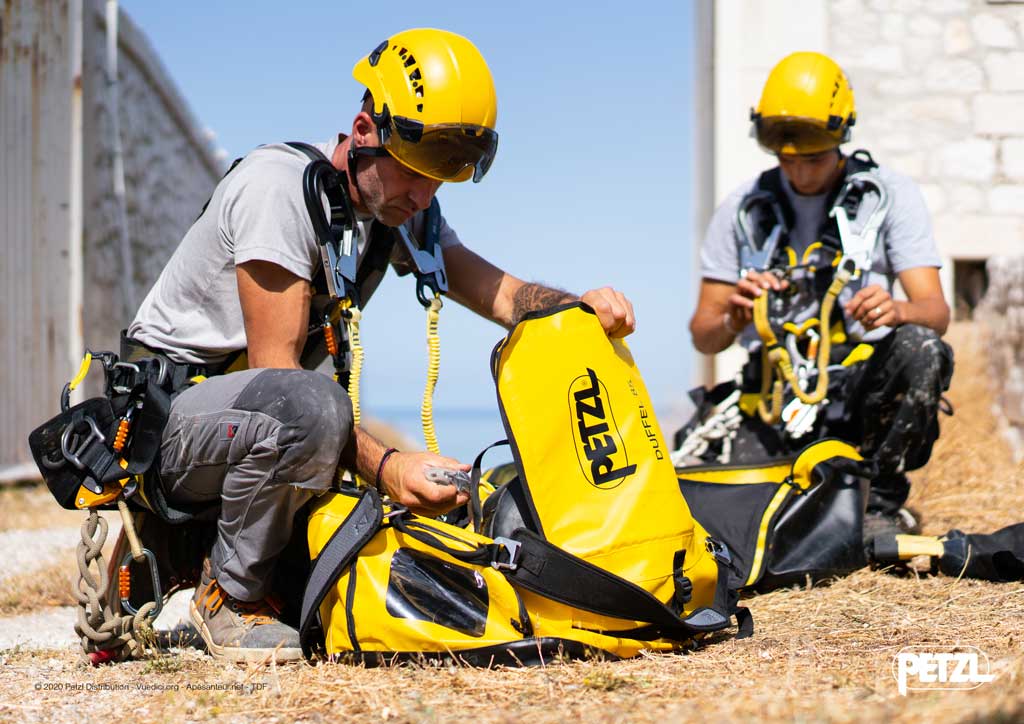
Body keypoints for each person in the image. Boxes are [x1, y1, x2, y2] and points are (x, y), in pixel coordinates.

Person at [125, 28, 635, 663]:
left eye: (443, 178)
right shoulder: (278, 191)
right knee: (310, 404)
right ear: (365, 130)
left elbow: (499, 295)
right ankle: (226, 601)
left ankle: (201, 567)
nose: (425, 197)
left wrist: (576, 309)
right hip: (165, 429)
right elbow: (277, 377)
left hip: (249, 427)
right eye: (416, 175)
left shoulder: (395, 206)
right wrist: (391, 469)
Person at [686, 52, 953, 542]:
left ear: (841, 136)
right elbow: (704, 336)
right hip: (771, 399)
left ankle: (882, 503)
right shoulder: (742, 210)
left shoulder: (889, 197)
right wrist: (734, 315)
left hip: (858, 392)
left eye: (812, 158)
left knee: (921, 347)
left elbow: (935, 313)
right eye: (786, 159)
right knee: (724, 526)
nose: (800, 173)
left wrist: (897, 310)